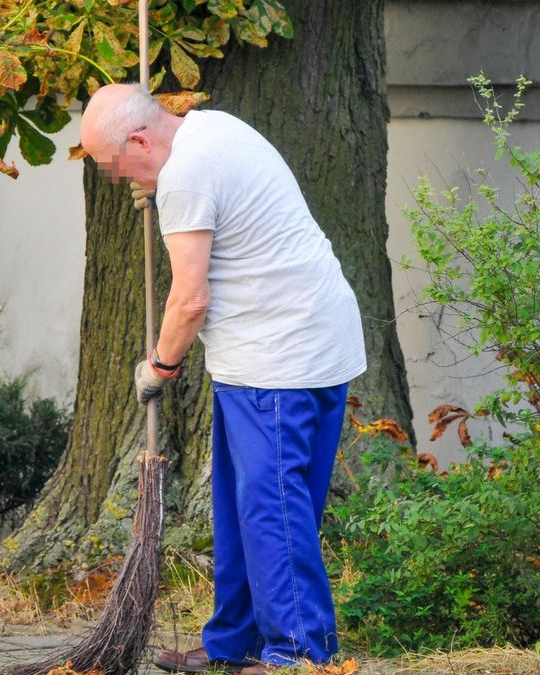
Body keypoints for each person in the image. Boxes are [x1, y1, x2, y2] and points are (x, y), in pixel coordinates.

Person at [78, 83, 367, 674]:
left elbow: (188, 300)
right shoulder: (212, 130)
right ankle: (235, 646)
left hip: (280, 358)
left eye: (114, 165)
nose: (116, 179)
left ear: (138, 138)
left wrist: (159, 366)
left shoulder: (186, 177)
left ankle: (298, 656)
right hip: (301, 340)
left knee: (272, 508)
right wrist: (158, 190)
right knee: (245, 506)